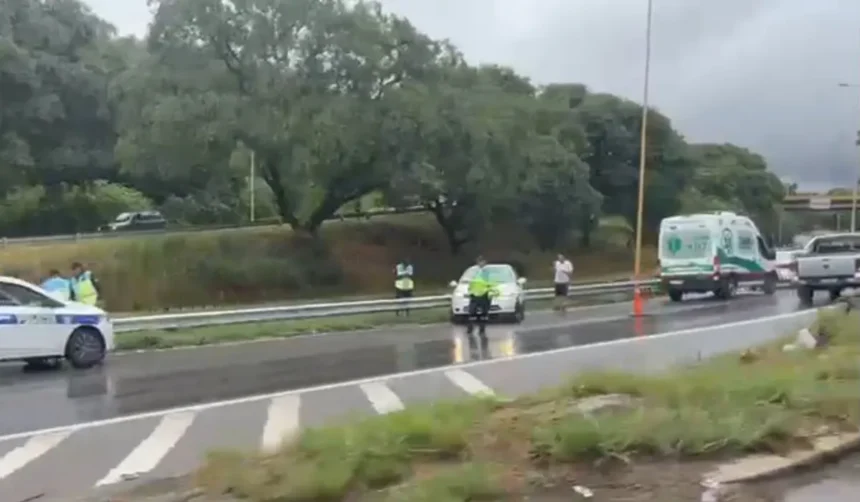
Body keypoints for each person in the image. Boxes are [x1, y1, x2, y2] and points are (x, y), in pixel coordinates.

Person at [465, 256, 499, 346]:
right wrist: (469, 291)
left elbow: (492, 283)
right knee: (471, 312)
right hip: (475, 296)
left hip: (485, 295)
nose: (480, 263)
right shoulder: (473, 272)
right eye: (479, 262)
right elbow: (470, 283)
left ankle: (482, 330)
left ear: (485, 262)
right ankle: (470, 329)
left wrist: (491, 292)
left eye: (482, 262)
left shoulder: (488, 273)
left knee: (484, 314)